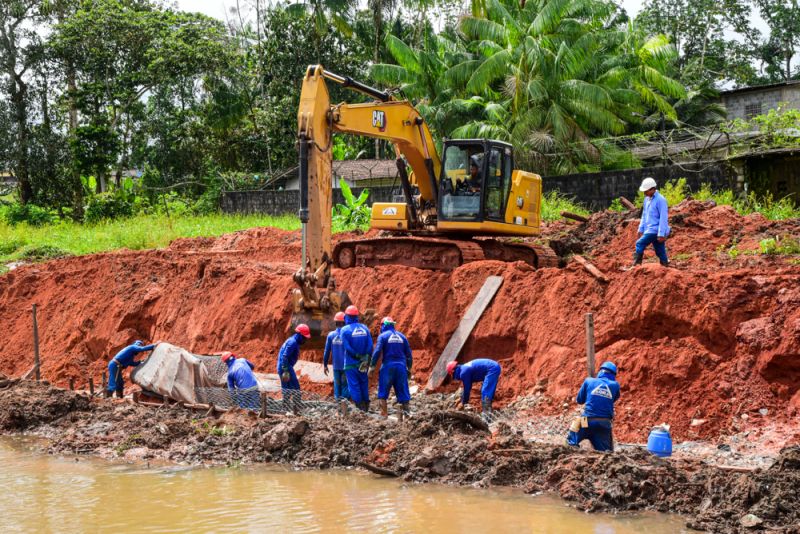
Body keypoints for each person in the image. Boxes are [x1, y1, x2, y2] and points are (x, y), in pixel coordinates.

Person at [566, 361, 621, 452]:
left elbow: (579, 400)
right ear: (613, 375)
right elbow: (613, 399)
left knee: (574, 431)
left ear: (600, 371)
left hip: (586, 421)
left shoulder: (588, 381)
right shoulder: (615, 385)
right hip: (604, 423)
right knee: (606, 453)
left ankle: (572, 447)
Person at [369, 317, 412, 418]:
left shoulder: (383, 336)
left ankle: (384, 415)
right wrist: (409, 368)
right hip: (401, 367)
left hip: (388, 367)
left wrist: (372, 366)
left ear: (383, 325)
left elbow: (377, 351)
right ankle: (406, 416)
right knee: (403, 392)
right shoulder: (402, 337)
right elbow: (409, 355)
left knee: (383, 392)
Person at [339, 305, 373, 412]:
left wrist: (357, 355)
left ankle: (360, 408)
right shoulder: (365, 328)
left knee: (354, 385)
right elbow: (370, 346)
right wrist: (364, 357)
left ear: (347, 317)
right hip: (363, 363)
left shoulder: (344, 330)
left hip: (350, 363)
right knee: (363, 382)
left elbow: (347, 347)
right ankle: (366, 405)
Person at [631, 177, 670, 268]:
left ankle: (637, 265)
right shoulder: (647, 200)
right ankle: (665, 265)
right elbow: (644, 215)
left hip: (655, 229)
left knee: (640, 243)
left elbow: (663, 218)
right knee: (660, 250)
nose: (644, 193)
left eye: (646, 191)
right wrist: (641, 228)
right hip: (649, 229)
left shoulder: (661, 200)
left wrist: (661, 233)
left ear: (653, 189)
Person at [277, 324, 311, 412]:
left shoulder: (292, 341)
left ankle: (286, 407)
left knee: (286, 388)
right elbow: (285, 356)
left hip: (284, 366)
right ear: (299, 335)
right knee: (295, 387)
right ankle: (297, 407)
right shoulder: (293, 342)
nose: (304, 340)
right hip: (286, 367)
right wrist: (285, 370)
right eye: (304, 338)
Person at [323, 312, 349, 402]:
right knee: (345, 385)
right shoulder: (347, 334)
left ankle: (338, 405)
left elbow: (327, 351)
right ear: (345, 322)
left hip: (336, 366)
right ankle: (345, 407)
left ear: (335, 322)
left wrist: (325, 365)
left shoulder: (331, 335)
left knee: (337, 386)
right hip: (346, 366)